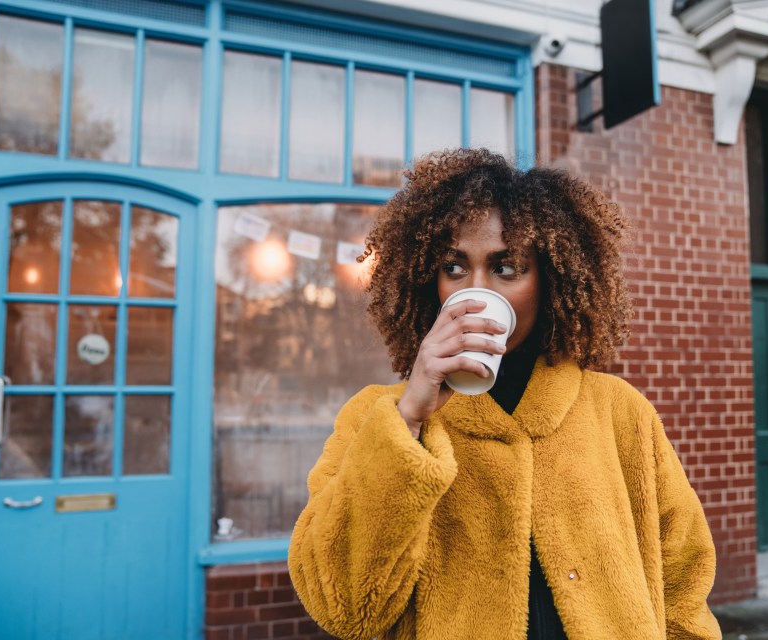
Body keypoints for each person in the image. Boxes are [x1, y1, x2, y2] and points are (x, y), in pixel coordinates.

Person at [289, 148, 722, 640]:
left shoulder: (619, 413)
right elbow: (343, 606)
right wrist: (409, 418)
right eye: (454, 267)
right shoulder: (379, 418)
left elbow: (684, 584)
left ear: (550, 279)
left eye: (507, 267)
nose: (474, 290)